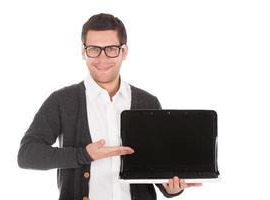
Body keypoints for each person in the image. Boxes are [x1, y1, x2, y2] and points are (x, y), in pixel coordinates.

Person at [17, 13, 202, 200]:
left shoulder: (148, 102)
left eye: (111, 49)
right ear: (83, 52)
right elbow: (27, 155)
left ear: (124, 51)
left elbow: (159, 170)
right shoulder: (62, 101)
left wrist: (172, 189)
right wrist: (84, 154)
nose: (102, 58)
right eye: (94, 49)